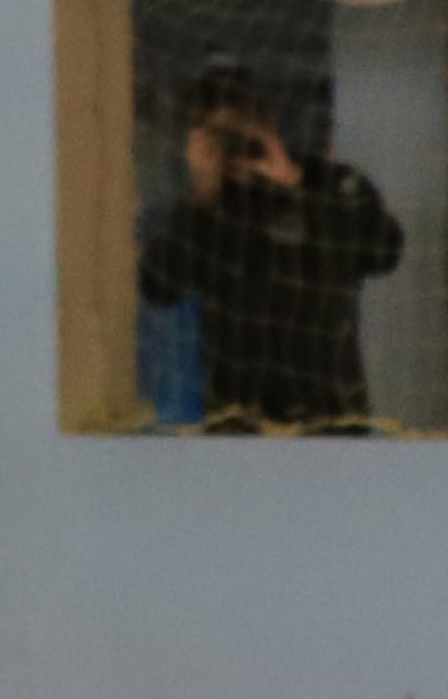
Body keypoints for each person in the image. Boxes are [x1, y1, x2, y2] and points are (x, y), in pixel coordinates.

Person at [134, 64, 403, 428]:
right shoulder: (210, 210)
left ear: (269, 122)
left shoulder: (330, 183)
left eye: (239, 129)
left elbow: (384, 252)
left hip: (331, 414)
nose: (233, 146)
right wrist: (201, 199)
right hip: (238, 419)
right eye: (219, 135)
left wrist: (296, 186)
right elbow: (158, 287)